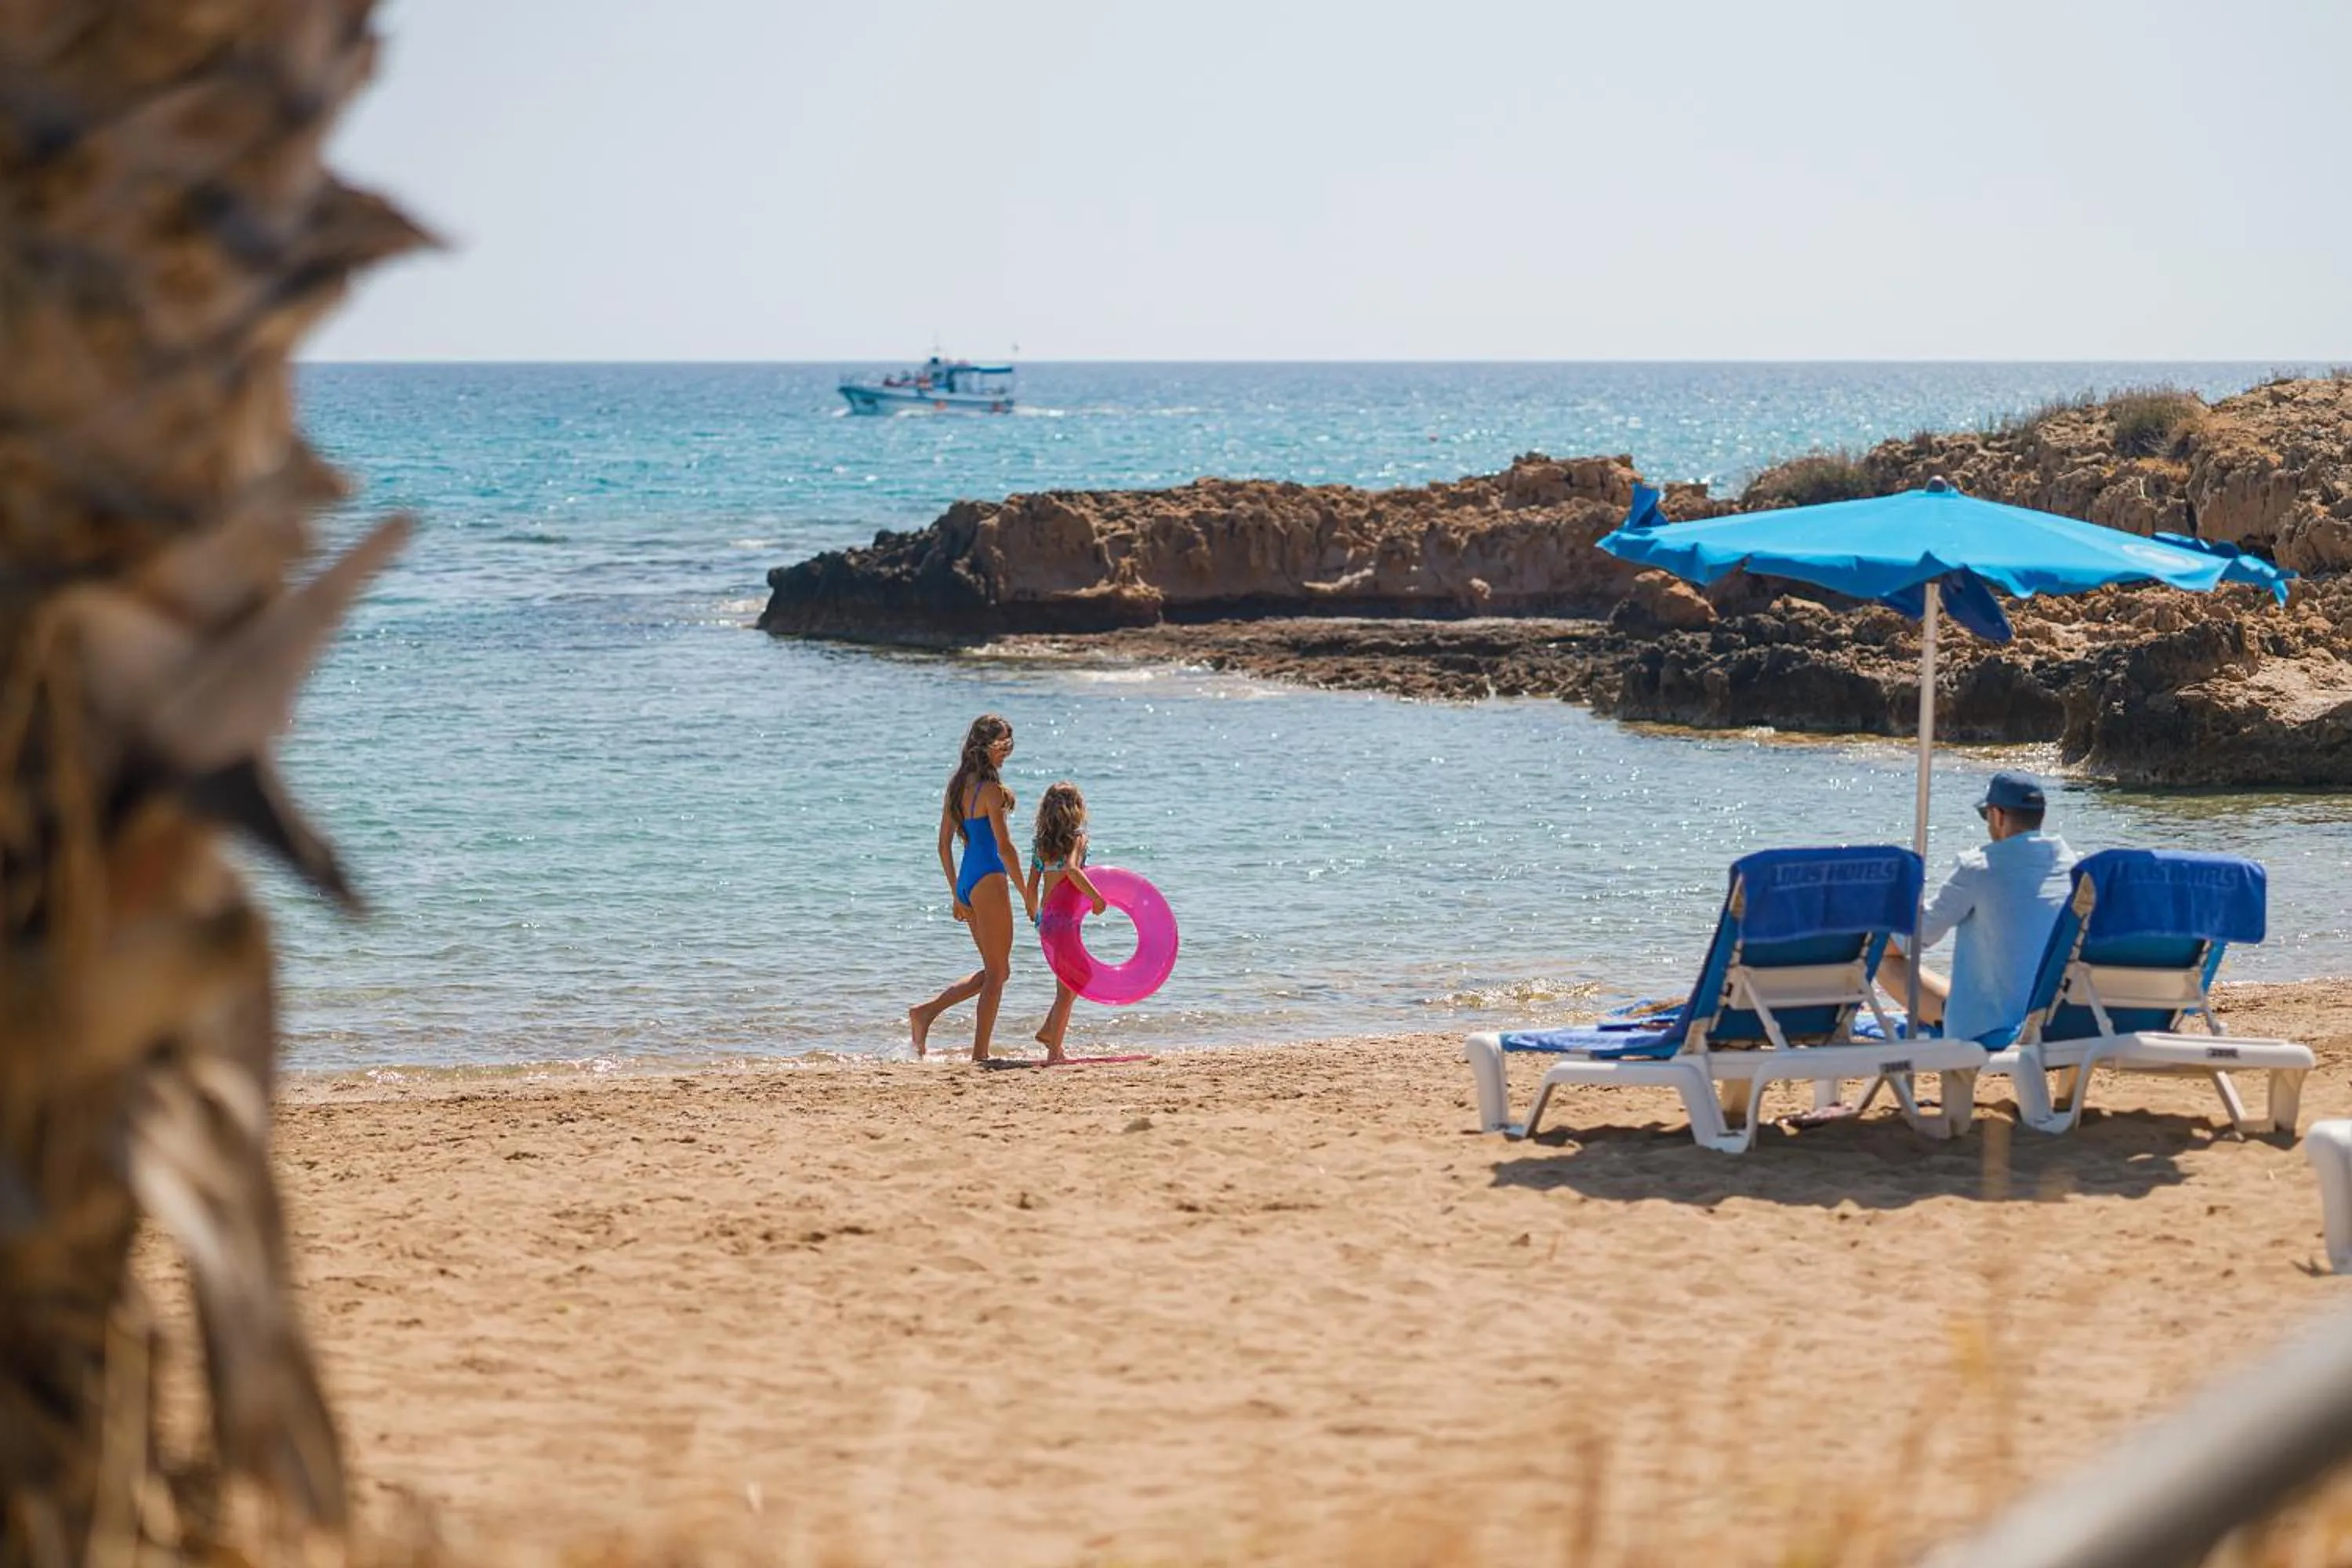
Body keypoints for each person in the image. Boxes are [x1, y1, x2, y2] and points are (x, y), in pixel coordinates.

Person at [1878, 771, 2078, 1044]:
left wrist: (1871, 939)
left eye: (1986, 816)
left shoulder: (1978, 868)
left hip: (1997, 1028)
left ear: (1998, 815)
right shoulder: (2070, 865)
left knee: (1884, 959)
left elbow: (1916, 938)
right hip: (2056, 1019)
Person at [909, 714, 1038, 1062]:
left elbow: (943, 845)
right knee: (997, 974)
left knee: (999, 971)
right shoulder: (990, 791)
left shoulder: (957, 787)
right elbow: (1005, 848)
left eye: (1010, 744)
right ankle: (980, 1054)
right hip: (989, 878)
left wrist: (956, 892)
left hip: (969, 878)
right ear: (986, 746)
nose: (1008, 751)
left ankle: (925, 1013)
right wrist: (1028, 894)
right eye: (1003, 744)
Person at [1025, 782, 1108, 1064]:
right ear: (1077, 809)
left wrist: (1035, 914)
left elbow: (1031, 887)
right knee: (1071, 984)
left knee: (1073, 979)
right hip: (1065, 921)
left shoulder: (1041, 845)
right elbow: (1073, 870)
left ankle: (1050, 1031)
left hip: (1048, 921)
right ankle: (1054, 1051)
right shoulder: (1078, 839)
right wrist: (1097, 899)